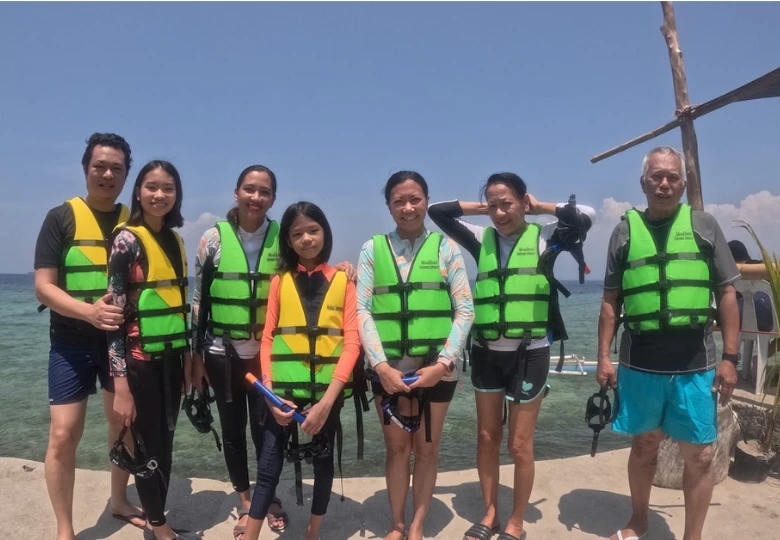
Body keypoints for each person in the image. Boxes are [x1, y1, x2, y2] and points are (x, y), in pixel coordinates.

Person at [428, 173, 595, 540]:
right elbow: (436, 212)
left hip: (529, 353)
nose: (500, 213)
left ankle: (517, 521)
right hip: (486, 351)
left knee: (519, 444)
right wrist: (483, 207)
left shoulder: (545, 235)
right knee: (487, 436)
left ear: (524, 203)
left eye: (508, 204)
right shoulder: (480, 236)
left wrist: (541, 207)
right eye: (493, 205)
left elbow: (586, 215)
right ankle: (491, 515)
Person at [596, 146, 740, 540]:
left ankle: (692, 536)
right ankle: (639, 518)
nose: (664, 183)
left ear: (683, 182)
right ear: (643, 182)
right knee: (644, 445)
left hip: (695, 361)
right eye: (657, 176)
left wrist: (730, 358)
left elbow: (727, 294)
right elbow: (610, 302)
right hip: (640, 361)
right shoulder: (624, 230)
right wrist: (603, 358)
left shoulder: (706, 226)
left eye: (672, 177)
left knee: (702, 454)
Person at [34, 132, 145, 539]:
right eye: (100, 166)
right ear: (85, 170)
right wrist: (90, 312)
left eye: (117, 168)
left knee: (124, 426)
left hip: (122, 341)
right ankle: (65, 529)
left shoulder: (134, 222)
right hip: (70, 339)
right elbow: (44, 286)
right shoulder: (59, 217)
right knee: (64, 433)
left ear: (126, 174)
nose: (108, 174)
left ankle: (118, 500)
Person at [356, 171, 474, 540]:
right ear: (389, 205)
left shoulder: (446, 248)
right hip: (387, 370)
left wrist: (442, 365)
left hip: (437, 369)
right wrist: (380, 365)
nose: (408, 208)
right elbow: (362, 310)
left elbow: (465, 309)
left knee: (426, 447)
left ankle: (418, 525)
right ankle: (396, 525)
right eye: (398, 201)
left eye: (415, 199)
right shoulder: (371, 250)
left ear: (426, 200)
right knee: (395, 449)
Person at [242, 201, 360, 540]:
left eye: (313, 230)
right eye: (297, 234)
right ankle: (250, 535)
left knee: (323, 464)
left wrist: (326, 403)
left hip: (327, 392)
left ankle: (313, 533)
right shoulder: (280, 281)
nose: (306, 239)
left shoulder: (343, 280)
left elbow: (352, 344)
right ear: (289, 242)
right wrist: (269, 393)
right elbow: (267, 339)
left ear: (325, 232)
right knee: (268, 466)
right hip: (282, 391)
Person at [189, 165, 289, 539]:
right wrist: (195, 357)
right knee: (233, 431)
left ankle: (268, 497)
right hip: (222, 353)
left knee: (269, 431)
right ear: (236, 193)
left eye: (264, 192)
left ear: (273, 199)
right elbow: (199, 303)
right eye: (249, 189)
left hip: (268, 354)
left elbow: (311, 274)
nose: (256, 197)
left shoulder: (284, 238)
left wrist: (344, 270)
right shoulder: (212, 239)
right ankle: (246, 499)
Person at [108, 160, 198, 540]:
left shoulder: (176, 240)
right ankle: (161, 529)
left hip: (172, 359)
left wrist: (191, 362)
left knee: (167, 438)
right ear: (139, 191)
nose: (159, 195)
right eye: (151, 187)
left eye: (168, 188)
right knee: (147, 444)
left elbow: (182, 307)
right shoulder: (126, 240)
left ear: (177, 195)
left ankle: (158, 515)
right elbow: (113, 316)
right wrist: (121, 384)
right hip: (139, 361)